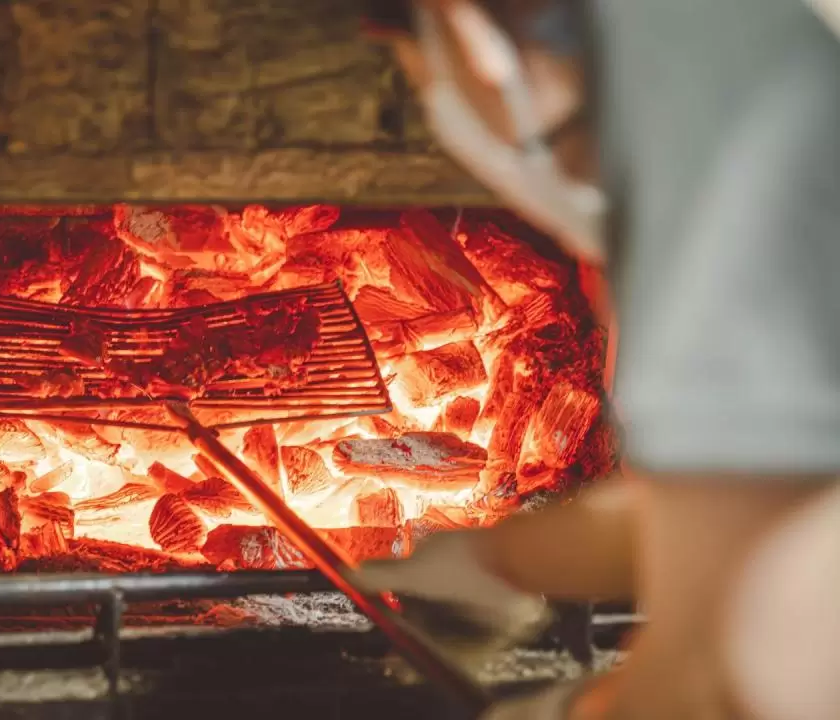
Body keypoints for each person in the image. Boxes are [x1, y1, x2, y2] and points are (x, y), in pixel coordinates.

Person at [352, 2, 840, 718]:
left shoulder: (744, 172)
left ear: (467, 32)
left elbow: (723, 680)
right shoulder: (777, 71)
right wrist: (505, 560)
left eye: (416, 69)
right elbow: (732, 512)